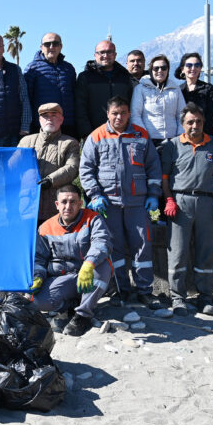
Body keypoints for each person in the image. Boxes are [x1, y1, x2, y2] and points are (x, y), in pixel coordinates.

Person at [80, 96, 163, 308]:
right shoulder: (96, 136)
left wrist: (153, 194)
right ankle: (121, 290)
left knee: (142, 246)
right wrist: (95, 195)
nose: (119, 117)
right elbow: (86, 169)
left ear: (129, 114)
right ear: (107, 114)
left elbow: (153, 167)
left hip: (137, 203)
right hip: (109, 204)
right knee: (113, 247)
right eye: (115, 113)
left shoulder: (141, 135)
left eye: (123, 113)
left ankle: (145, 291)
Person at [159, 104, 213, 316]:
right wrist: (168, 200)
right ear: (182, 124)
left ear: (204, 122)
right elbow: (164, 178)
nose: (194, 125)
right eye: (190, 122)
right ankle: (178, 298)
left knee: (206, 252)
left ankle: (205, 297)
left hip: (207, 203)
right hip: (180, 202)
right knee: (178, 253)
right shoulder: (172, 145)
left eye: (198, 121)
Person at [31, 184, 114, 337]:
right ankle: (71, 306)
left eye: (73, 202)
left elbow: (102, 242)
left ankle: (83, 316)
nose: (68, 206)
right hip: (63, 277)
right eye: (64, 202)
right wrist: (37, 276)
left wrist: (89, 264)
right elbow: (39, 258)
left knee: (103, 266)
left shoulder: (93, 218)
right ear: (57, 204)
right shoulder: (45, 228)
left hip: (88, 273)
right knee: (37, 301)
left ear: (80, 203)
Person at [18, 103, 79, 224]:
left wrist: (50, 180)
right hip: (27, 205)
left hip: (55, 208)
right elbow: (13, 168)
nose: (49, 119)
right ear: (40, 120)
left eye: (54, 115)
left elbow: (72, 168)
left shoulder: (70, 143)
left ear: (61, 120)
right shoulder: (25, 142)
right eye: (45, 116)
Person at [75, 40, 136, 138]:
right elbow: (80, 108)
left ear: (115, 55)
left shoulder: (125, 77)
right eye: (102, 52)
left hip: (122, 133)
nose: (106, 55)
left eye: (109, 52)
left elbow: (131, 106)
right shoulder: (85, 77)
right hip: (94, 134)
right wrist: (86, 133)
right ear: (95, 55)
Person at [24, 32, 77, 137]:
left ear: (61, 47)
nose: (51, 47)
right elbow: (26, 99)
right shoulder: (32, 68)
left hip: (67, 125)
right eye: (47, 44)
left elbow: (75, 96)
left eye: (55, 44)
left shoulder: (69, 68)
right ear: (41, 47)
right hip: (42, 125)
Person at [131, 54, 186, 146]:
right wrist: (143, 136)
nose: (160, 71)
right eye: (156, 68)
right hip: (149, 141)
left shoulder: (176, 89)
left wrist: (180, 136)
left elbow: (182, 114)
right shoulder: (140, 89)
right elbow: (135, 114)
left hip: (172, 140)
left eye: (163, 68)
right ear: (151, 71)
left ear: (168, 70)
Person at [175, 52, 213, 138]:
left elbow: (212, 116)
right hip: (184, 136)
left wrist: (197, 130)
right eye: (189, 65)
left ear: (200, 68)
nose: (193, 68)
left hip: (205, 135)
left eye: (197, 65)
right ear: (182, 69)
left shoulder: (208, 88)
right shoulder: (178, 90)